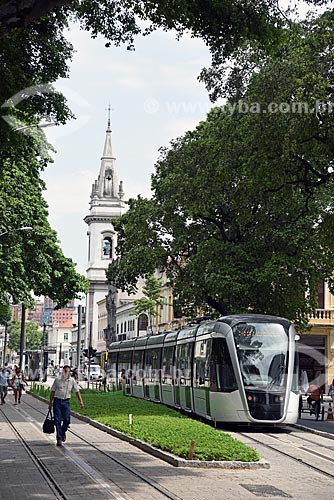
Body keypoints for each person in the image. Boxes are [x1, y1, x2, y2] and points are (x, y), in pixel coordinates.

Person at [48, 365, 84, 447]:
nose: (66, 373)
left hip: (66, 402)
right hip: (57, 401)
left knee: (67, 420)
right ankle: (59, 439)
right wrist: (50, 403)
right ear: (62, 372)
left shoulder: (72, 381)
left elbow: (77, 391)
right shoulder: (57, 380)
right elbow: (53, 392)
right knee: (57, 420)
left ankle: (62, 431)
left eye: (68, 372)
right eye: (65, 371)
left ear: (70, 372)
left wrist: (81, 402)